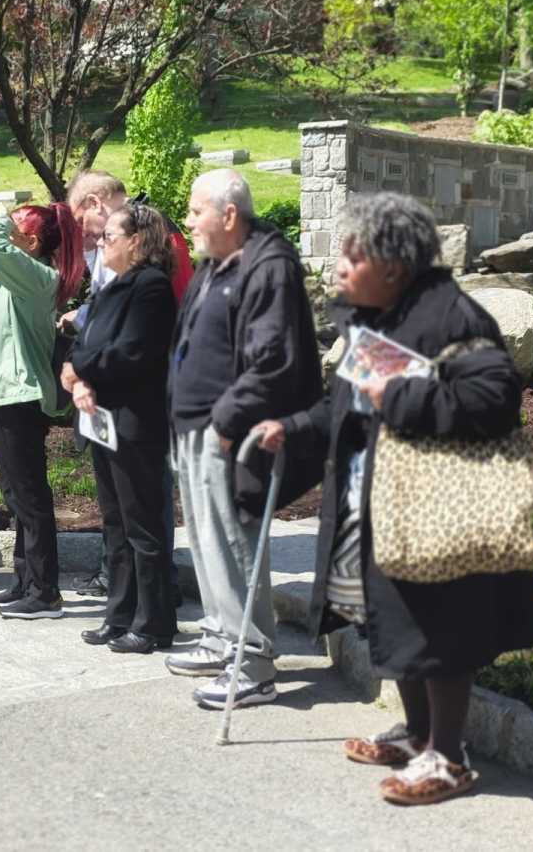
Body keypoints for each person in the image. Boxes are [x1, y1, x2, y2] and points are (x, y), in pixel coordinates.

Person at [251, 192, 533, 805]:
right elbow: (344, 402)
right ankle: (416, 735)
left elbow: (495, 400)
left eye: (351, 257)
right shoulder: (380, 320)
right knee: (401, 622)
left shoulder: (451, 317)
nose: (338, 269)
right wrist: (296, 428)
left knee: (439, 628)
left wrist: (400, 400)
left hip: (431, 509)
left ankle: (449, 759)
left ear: (392, 262)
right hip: (377, 503)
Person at [165, 169, 321, 708]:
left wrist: (226, 422)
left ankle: (252, 661)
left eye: (194, 211)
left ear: (228, 215)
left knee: (233, 542)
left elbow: (273, 358)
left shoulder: (268, 265)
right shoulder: (218, 263)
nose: (187, 222)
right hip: (193, 426)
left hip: (227, 431)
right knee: (206, 542)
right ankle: (220, 634)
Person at [63, 170, 191, 600]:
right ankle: (121, 594)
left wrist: (83, 363)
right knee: (117, 508)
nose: (90, 236)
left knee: (143, 508)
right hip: (105, 395)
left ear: (97, 203)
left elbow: (151, 328)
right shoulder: (116, 253)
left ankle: (155, 596)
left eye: (84, 219)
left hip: (141, 395)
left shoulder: (155, 242)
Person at [0, 200, 84, 619]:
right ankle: (25, 580)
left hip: (21, 398)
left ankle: (45, 591)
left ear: (30, 242)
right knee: (17, 496)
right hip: (4, 399)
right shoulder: (15, 284)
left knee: (31, 497)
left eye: (14, 226)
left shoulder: (39, 279)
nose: (2, 229)